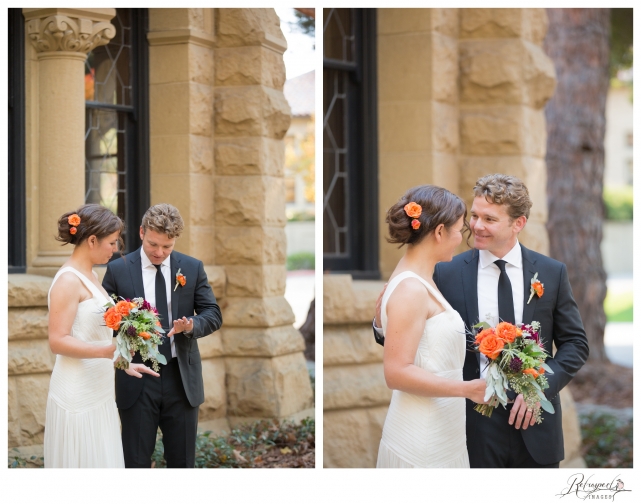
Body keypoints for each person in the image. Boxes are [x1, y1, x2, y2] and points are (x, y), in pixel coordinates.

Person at [375, 174, 589, 468]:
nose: (475, 226)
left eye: (488, 219)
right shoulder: (446, 271)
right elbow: (411, 336)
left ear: (518, 224)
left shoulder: (551, 273)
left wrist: (540, 388)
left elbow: (575, 344)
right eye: (474, 215)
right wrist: (379, 324)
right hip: (470, 426)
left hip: (535, 423)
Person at [375, 185, 487, 468]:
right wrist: (467, 389)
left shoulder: (420, 278)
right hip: (421, 440)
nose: (461, 240)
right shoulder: (411, 288)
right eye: (459, 231)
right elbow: (396, 372)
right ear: (439, 232)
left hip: (442, 430)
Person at [102, 203, 222, 468]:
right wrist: (127, 328)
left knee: (182, 463)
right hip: (137, 376)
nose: (159, 253)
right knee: (135, 462)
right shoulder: (118, 269)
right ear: (142, 232)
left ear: (175, 240)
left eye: (167, 247)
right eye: (154, 245)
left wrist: (190, 325)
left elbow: (213, 314)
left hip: (182, 380)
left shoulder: (191, 268)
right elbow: (103, 321)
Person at [45, 204, 159, 468]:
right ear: (92, 240)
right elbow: (58, 340)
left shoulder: (92, 275)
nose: (115, 248)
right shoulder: (68, 281)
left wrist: (123, 363)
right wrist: (108, 352)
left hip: (101, 391)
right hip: (77, 393)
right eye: (111, 242)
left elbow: (91, 335)